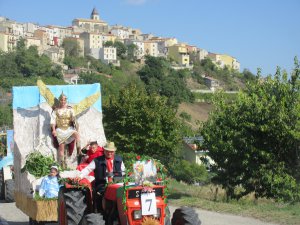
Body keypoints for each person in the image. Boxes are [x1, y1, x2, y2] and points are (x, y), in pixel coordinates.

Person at [50, 92, 81, 168]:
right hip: (60, 130)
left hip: (68, 128)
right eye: (61, 100)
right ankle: (62, 164)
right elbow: (53, 121)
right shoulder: (56, 111)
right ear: (60, 101)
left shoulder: (70, 110)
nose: (63, 101)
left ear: (66, 100)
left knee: (77, 135)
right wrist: (53, 130)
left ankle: (79, 152)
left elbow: (74, 119)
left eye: (64, 100)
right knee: (62, 147)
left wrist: (75, 122)